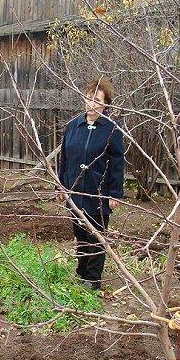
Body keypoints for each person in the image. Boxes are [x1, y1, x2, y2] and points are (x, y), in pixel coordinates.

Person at [58, 77, 125, 290]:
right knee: (80, 234)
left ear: (105, 104)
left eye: (97, 100)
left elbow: (117, 163)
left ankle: (93, 280)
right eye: (89, 98)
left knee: (95, 236)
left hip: (98, 193)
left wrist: (115, 193)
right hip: (75, 192)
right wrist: (61, 186)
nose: (92, 104)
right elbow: (64, 159)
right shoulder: (72, 126)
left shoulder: (111, 130)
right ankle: (81, 272)